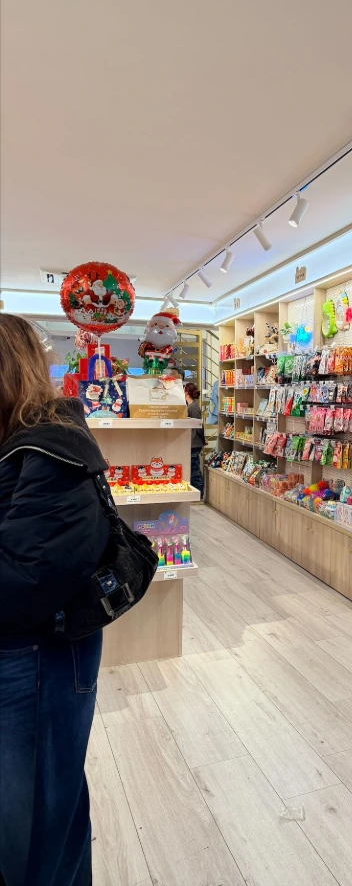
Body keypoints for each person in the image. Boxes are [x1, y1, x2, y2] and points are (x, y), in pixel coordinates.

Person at [0, 314, 111, 886]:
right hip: (29, 655)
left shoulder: (53, 447)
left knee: (39, 816)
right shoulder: (24, 443)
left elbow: (35, 573)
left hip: (38, 656)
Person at [184, 381, 205, 496]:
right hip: (191, 442)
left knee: (194, 470)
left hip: (194, 443)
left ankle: (199, 494)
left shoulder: (194, 408)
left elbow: (199, 426)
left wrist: (203, 439)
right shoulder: (190, 406)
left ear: (187, 392)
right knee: (192, 468)